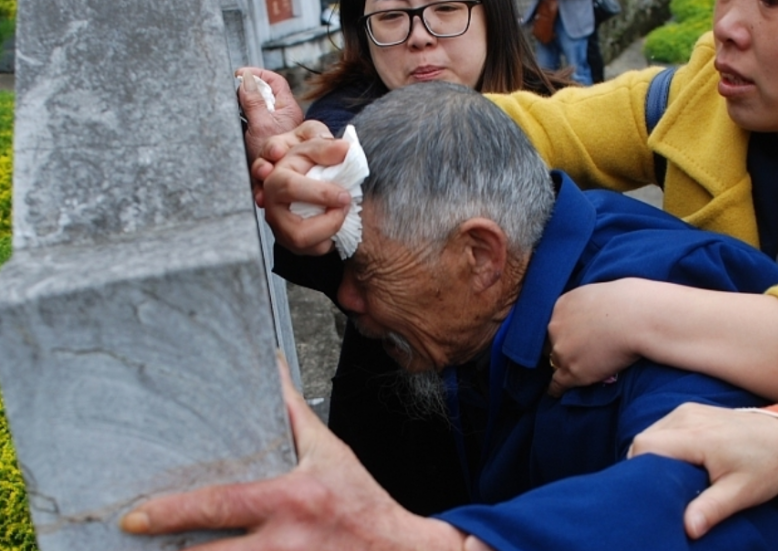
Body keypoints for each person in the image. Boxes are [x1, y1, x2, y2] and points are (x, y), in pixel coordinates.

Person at [250, 0, 778, 551]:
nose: (727, 23)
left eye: (777, 1)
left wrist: (649, 313)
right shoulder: (702, 96)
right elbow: (525, 127)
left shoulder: (662, 299)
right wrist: (331, 153)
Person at [104, 81, 778, 551]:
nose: (346, 297)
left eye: (361, 271)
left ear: (481, 256)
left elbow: (698, 509)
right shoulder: (501, 264)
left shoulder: (668, 294)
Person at [240, 0, 573, 518]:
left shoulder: (571, 122)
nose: (419, 37)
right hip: (399, 442)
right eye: (391, 18)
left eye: (444, 8)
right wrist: (296, 178)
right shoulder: (338, 138)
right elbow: (321, 218)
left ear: (494, 16)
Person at [525, 0, 595, 85]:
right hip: (546, 16)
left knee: (578, 74)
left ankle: (586, 98)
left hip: (574, 19)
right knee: (544, 75)